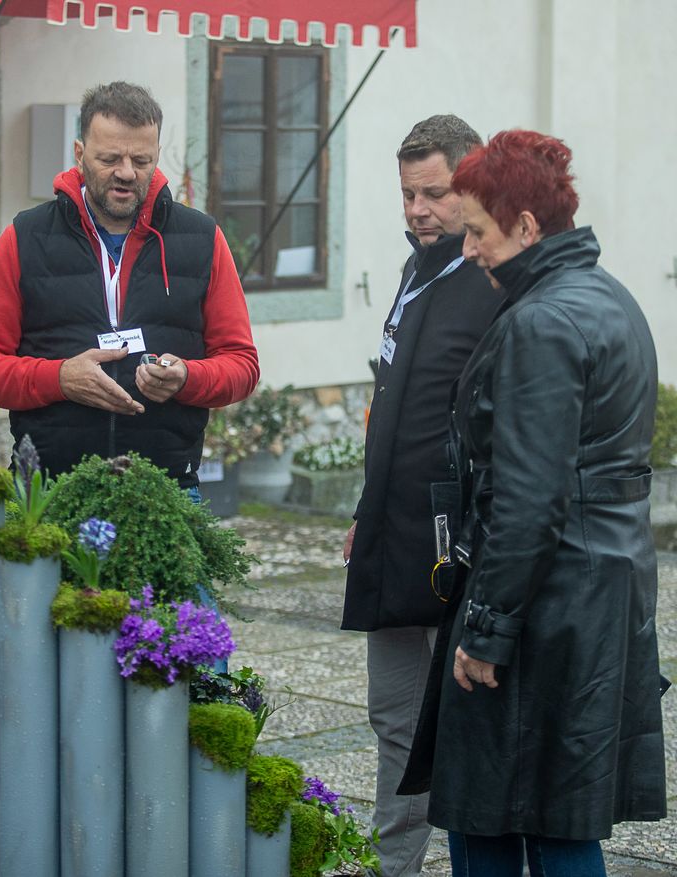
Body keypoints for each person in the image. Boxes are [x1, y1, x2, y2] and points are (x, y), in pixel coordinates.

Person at [424, 129, 666, 875]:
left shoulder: (542, 320)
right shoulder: (608, 295)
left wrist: (488, 633)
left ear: (527, 227)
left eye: (477, 231)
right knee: (561, 814)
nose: (467, 250)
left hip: (546, 602)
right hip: (593, 590)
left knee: (501, 817)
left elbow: (531, 496)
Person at [339, 115, 503, 877]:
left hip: (454, 544)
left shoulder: (493, 279)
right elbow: (393, 405)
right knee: (393, 717)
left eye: (433, 194)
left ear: (471, 187)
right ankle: (394, 865)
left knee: (469, 726)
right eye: (407, 195)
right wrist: (365, 511)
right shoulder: (416, 268)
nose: (417, 211)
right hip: (391, 534)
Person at [0, 81, 259, 488]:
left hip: (165, 489)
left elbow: (242, 365)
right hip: (49, 489)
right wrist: (59, 378)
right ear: (79, 154)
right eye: (109, 158)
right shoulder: (25, 238)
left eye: (141, 159)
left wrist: (187, 377)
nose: (126, 173)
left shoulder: (202, 238)